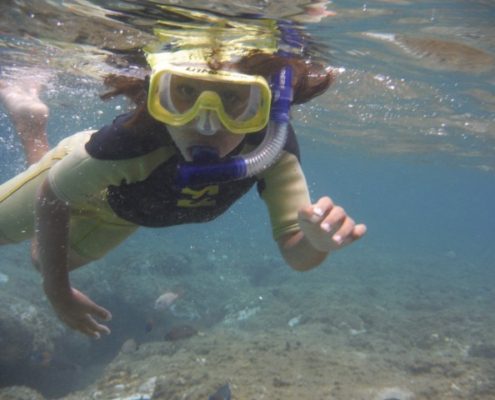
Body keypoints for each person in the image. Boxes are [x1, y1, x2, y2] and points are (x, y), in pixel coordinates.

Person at [0, 19, 366, 339]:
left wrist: (317, 242)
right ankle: (33, 127)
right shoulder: (129, 142)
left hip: (121, 213)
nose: (206, 123)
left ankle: (32, 125)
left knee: (41, 257)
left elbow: (298, 254)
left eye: (234, 100)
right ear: (159, 95)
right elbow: (53, 195)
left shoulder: (273, 148)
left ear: (265, 105)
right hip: (76, 176)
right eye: (186, 94)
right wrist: (57, 293)